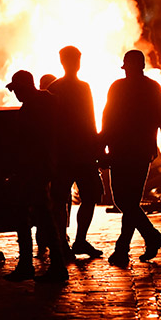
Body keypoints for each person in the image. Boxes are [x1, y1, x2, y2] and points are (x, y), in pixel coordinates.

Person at [100, 50, 161, 267]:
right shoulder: (149, 88)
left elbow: (108, 120)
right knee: (128, 201)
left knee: (124, 201)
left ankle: (128, 247)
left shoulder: (121, 88)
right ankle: (140, 242)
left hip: (125, 151)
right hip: (136, 152)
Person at [4, 70, 68, 283]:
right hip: (43, 167)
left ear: (26, 87)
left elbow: (29, 143)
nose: (16, 94)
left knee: (30, 216)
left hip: (34, 168)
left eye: (18, 90)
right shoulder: (48, 102)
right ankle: (52, 264)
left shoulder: (33, 108)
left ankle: (33, 265)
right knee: (42, 216)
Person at [46, 46, 105, 258]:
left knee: (85, 196)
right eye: (73, 59)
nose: (76, 63)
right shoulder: (60, 88)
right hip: (72, 152)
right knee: (66, 198)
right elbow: (88, 120)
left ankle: (75, 241)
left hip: (74, 152)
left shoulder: (60, 87)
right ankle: (67, 242)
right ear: (64, 62)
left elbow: (90, 118)